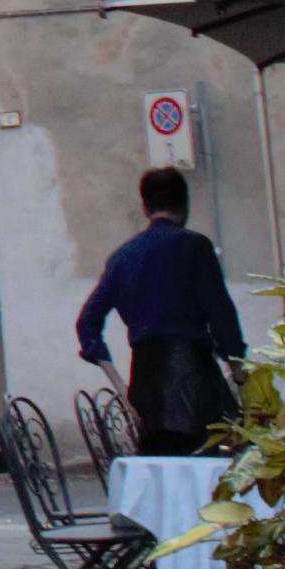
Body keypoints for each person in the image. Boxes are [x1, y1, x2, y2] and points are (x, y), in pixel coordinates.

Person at [72, 165, 246, 455]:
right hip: (193, 376)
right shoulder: (195, 247)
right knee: (211, 468)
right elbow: (221, 313)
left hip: (144, 383)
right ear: (185, 204)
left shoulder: (121, 257)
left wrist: (119, 387)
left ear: (145, 207)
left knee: (161, 471)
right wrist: (237, 369)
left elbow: (87, 322)